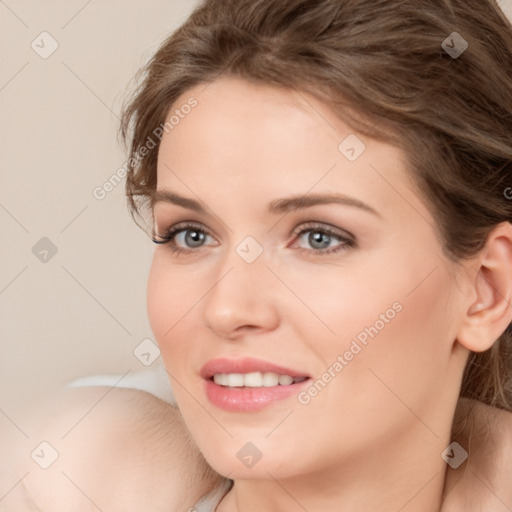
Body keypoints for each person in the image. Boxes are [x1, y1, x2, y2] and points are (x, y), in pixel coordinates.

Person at [2, 0, 512, 510]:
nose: (226, 309)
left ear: (486, 291)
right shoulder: (57, 481)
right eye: (191, 234)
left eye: (318, 237)